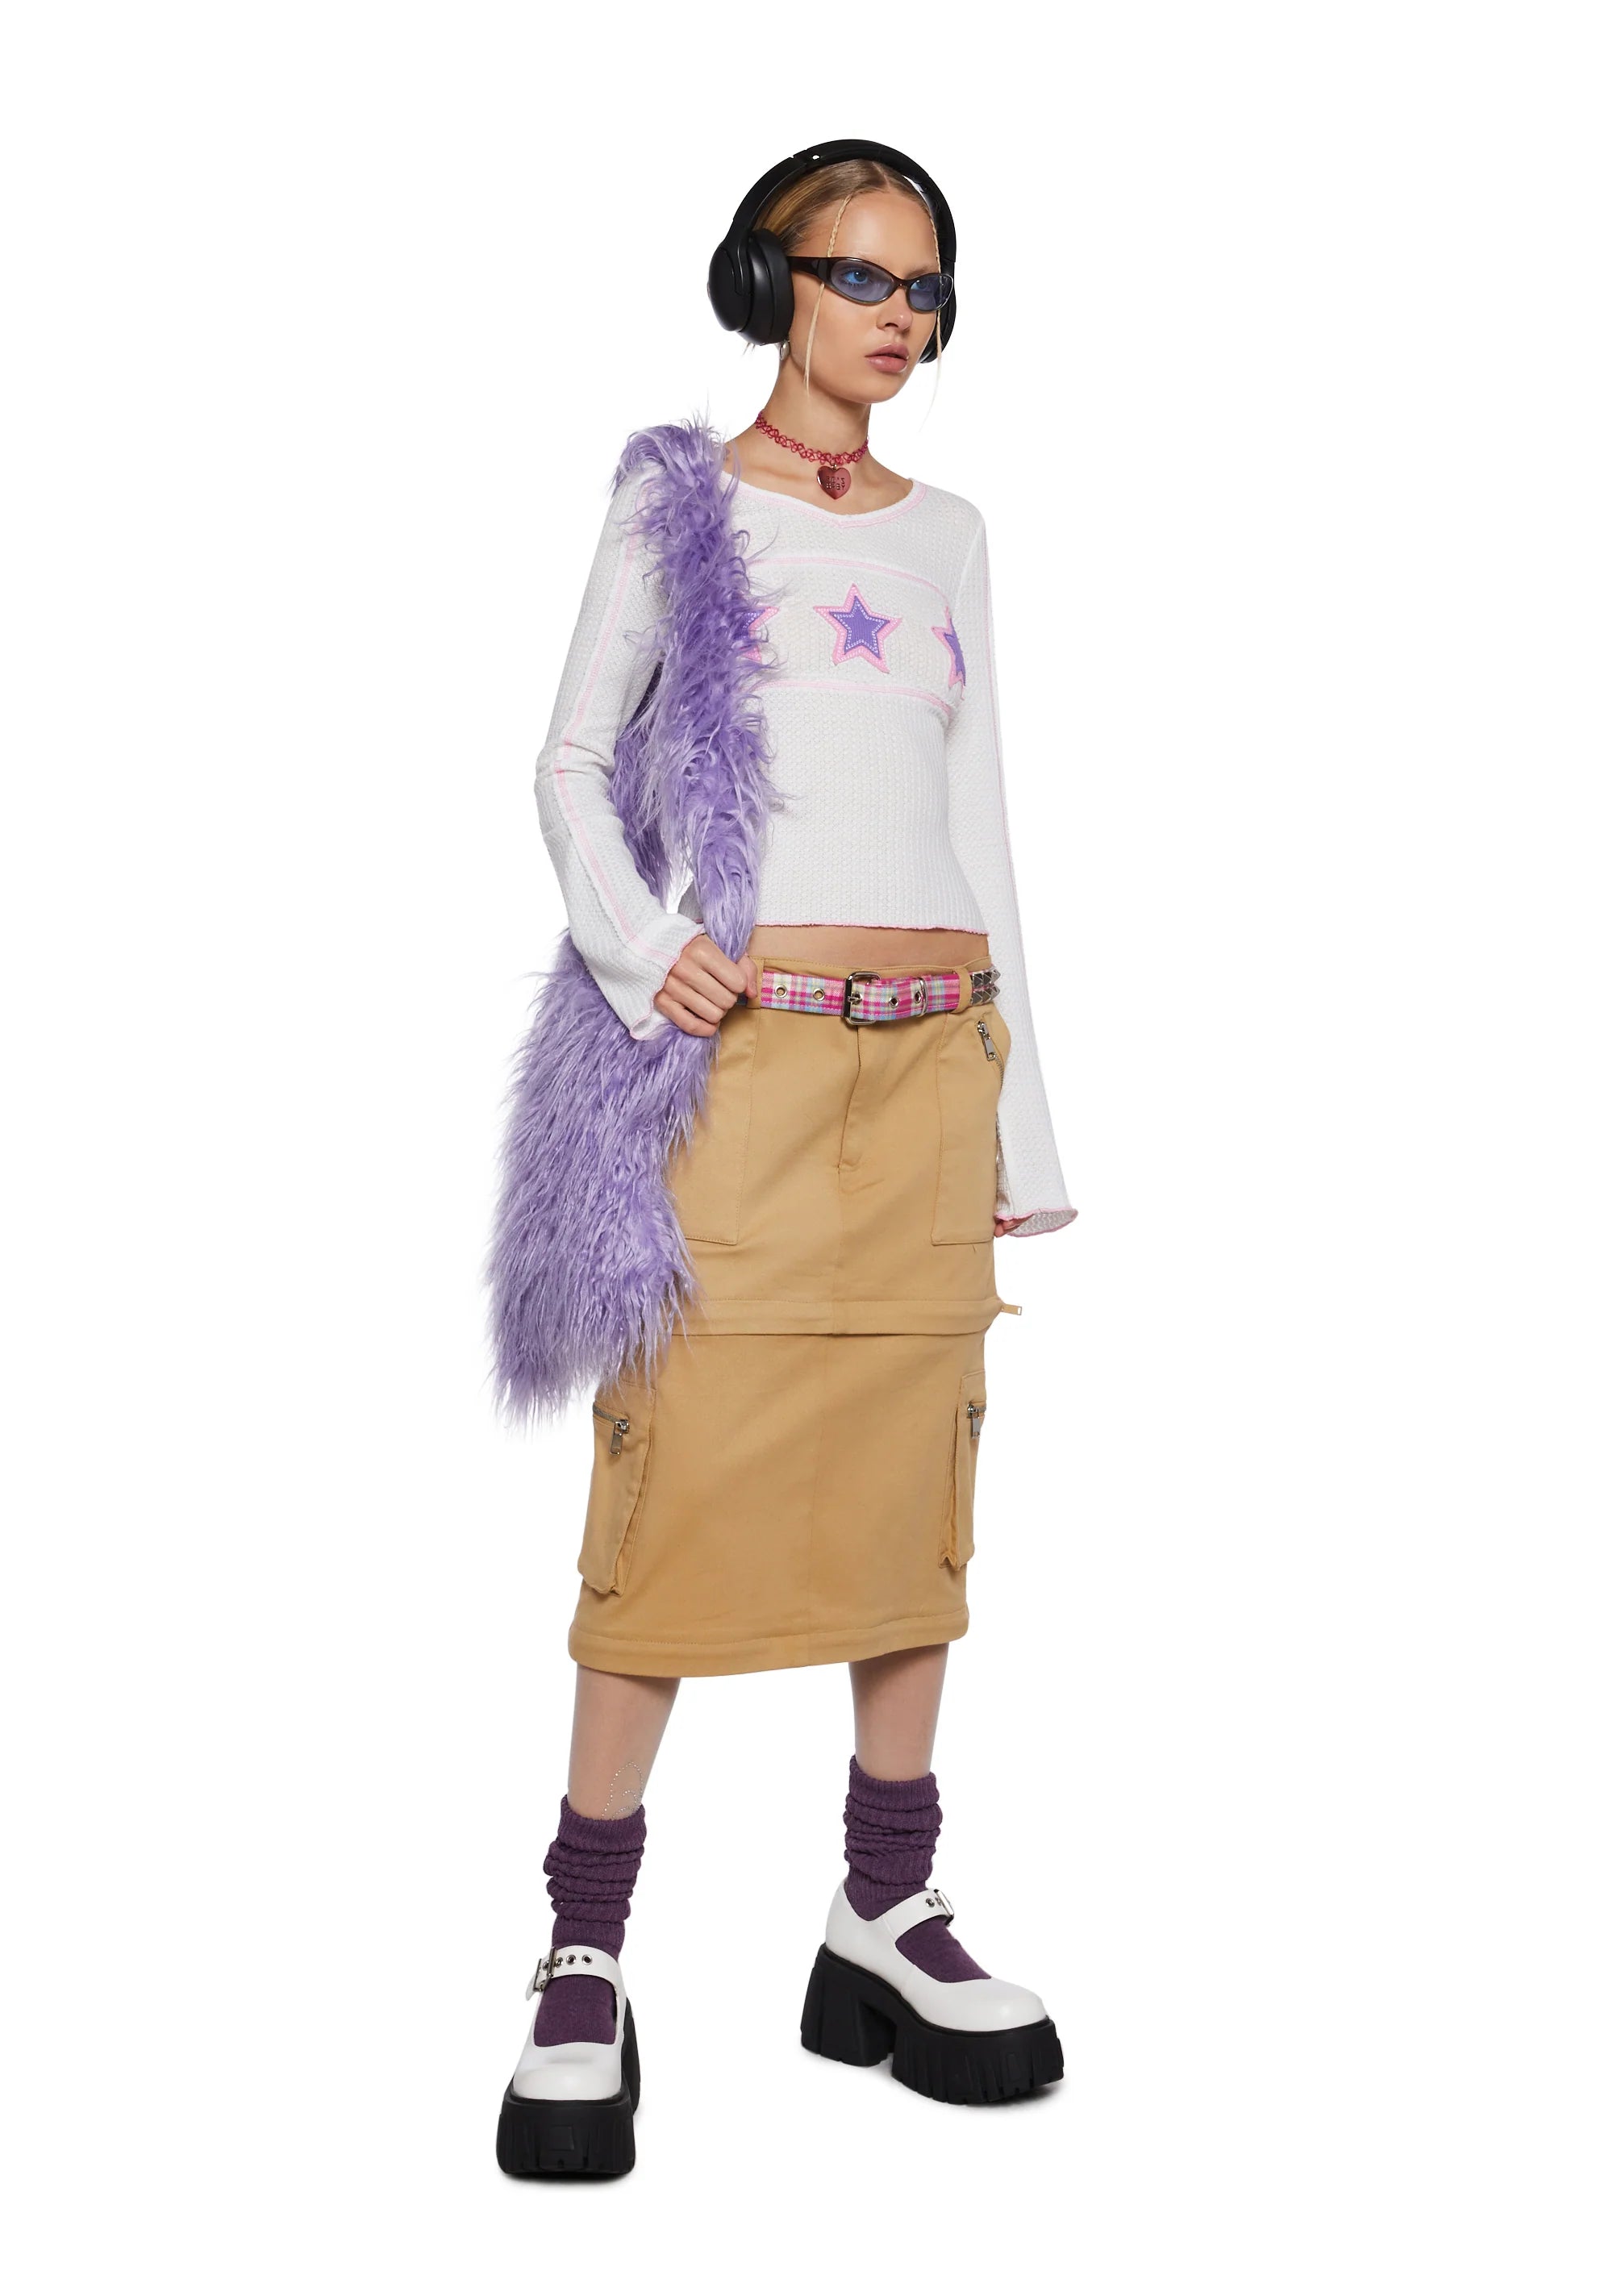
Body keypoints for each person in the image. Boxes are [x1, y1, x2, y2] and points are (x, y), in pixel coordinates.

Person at [494, 141, 1077, 2179]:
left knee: (917, 1484)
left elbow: (979, 820)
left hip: (929, 1068)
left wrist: (1020, 1119)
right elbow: (570, 760)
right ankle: (584, 1944)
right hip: (739, 1070)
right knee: (677, 1481)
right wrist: (642, 947)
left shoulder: (953, 536)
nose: (896, 316)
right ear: (766, 282)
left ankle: (884, 1904)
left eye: (926, 286)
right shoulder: (681, 502)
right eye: (856, 275)